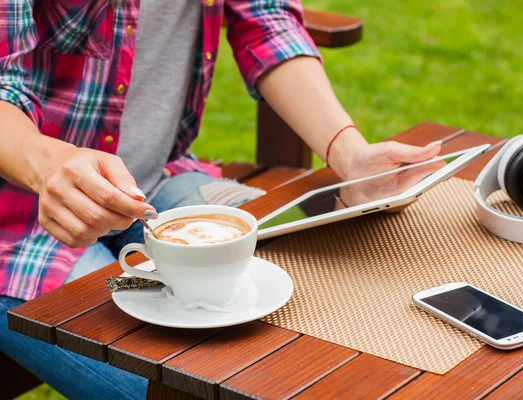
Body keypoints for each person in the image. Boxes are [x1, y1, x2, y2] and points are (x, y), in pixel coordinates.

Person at [0, 0, 442, 398]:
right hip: (19, 232)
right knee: (188, 379)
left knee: (318, 280)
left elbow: (266, 20)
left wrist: (350, 155)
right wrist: (48, 166)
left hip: (159, 182)